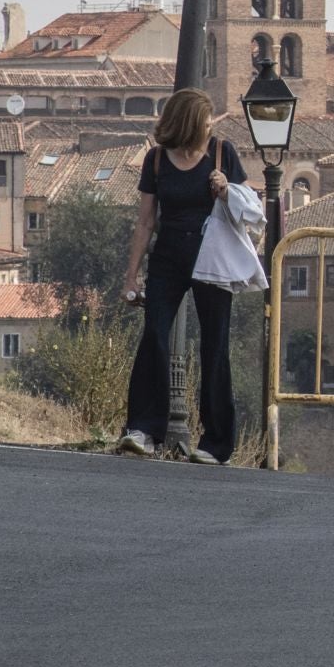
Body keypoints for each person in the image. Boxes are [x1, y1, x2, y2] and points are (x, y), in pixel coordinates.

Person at [116, 89, 247, 465]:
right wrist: (131, 276)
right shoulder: (156, 160)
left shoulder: (223, 154)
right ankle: (142, 430)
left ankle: (216, 443)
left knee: (214, 345)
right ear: (190, 122)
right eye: (205, 121)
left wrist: (226, 191)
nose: (210, 127)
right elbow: (145, 222)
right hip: (168, 257)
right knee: (154, 334)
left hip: (213, 258)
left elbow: (247, 205)